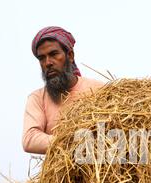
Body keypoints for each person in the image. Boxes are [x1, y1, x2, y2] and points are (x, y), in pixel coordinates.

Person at [22, 26, 105, 154]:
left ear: (70, 55)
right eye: (42, 58)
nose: (48, 63)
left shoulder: (98, 89)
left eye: (54, 54)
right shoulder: (37, 98)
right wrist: (72, 141)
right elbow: (30, 139)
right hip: (62, 172)